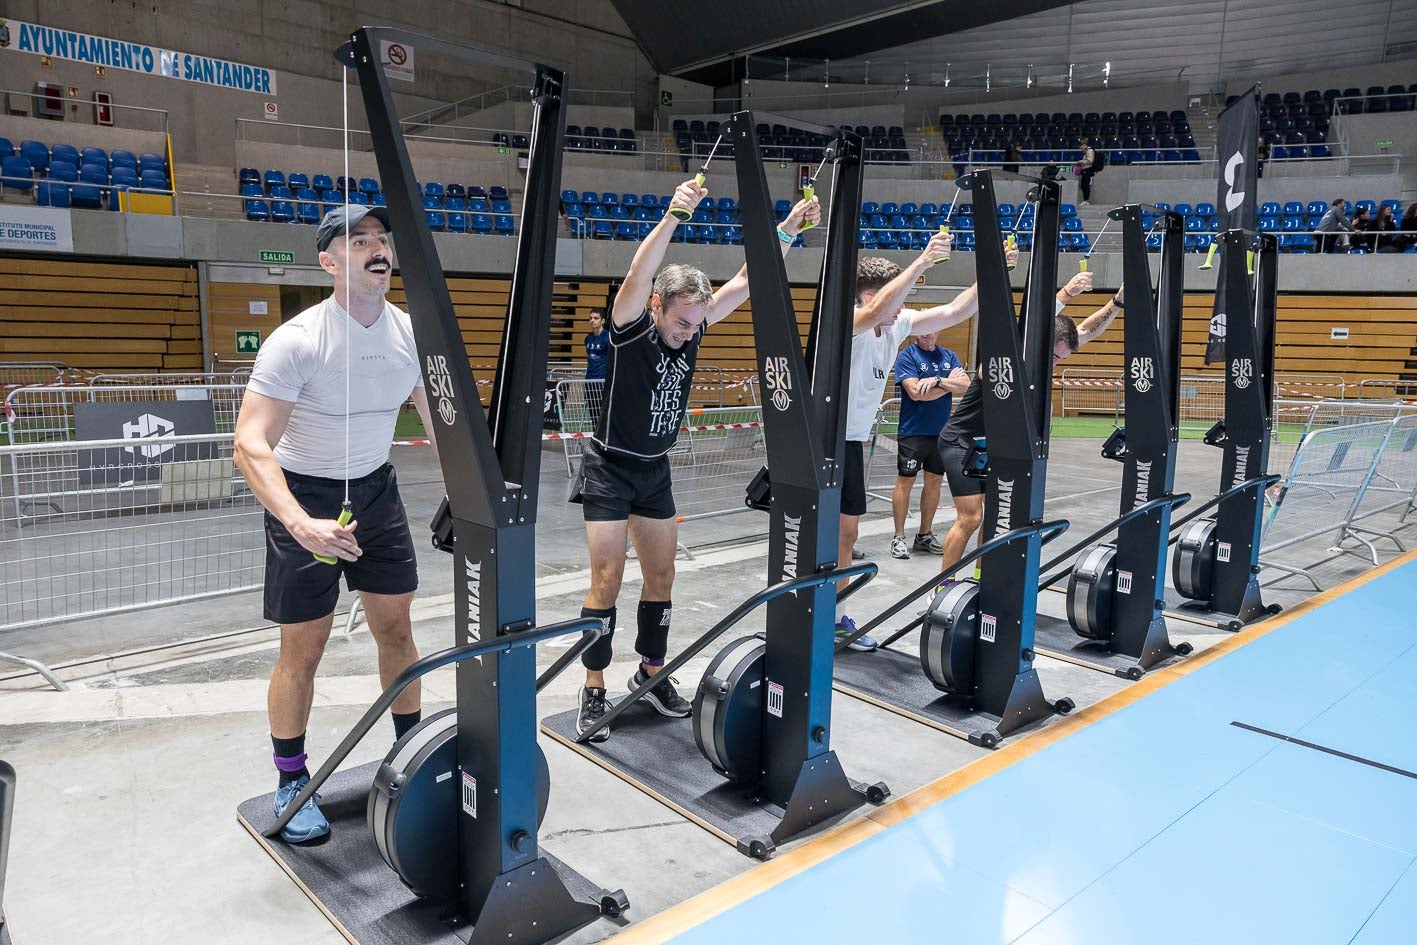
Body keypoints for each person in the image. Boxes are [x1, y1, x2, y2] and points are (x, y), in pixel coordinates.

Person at [572, 177, 820, 741]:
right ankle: (593, 689)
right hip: (609, 468)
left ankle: (651, 674)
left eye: (696, 322)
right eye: (681, 321)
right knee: (607, 578)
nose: (689, 332)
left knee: (662, 575)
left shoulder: (695, 325)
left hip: (654, 471)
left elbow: (747, 281)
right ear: (658, 307)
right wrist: (673, 217)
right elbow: (637, 276)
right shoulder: (631, 330)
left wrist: (787, 230)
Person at [234, 205, 440, 843]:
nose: (377, 249)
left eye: (382, 239)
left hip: (376, 492)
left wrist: (474, 494)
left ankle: (411, 759)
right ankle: (292, 778)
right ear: (328, 261)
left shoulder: (413, 333)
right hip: (306, 495)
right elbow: (249, 444)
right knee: (304, 651)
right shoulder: (298, 340)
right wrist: (301, 524)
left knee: (398, 631)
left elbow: (442, 421)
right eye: (358, 241)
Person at [832, 233, 1021, 651]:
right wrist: (921, 262)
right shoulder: (851, 321)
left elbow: (954, 310)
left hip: (850, 442)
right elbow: (881, 308)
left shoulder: (894, 324)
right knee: (828, 536)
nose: (904, 306)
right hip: (824, 441)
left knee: (846, 536)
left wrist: (993, 270)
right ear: (867, 296)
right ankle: (818, 614)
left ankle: (836, 617)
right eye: (896, 295)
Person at [935, 274, 1123, 583]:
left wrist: (1117, 303)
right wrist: (1064, 294)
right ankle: (943, 588)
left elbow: (1088, 329)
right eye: (1053, 355)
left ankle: (983, 580)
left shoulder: (1047, 359)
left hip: (993, 445)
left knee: (996, 516)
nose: (1055, 363)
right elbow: (1022, 333)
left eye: (1061, 359)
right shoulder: (1009, 358)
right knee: (971, 517)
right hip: (960, 440)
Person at [889, 331, 969, 560]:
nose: (928, 334)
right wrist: (947, 385)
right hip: (913, 432)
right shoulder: (907, 356)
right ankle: (899, 537)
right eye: (923, 330)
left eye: (932, 329)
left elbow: (965, 385)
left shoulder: (949, 355)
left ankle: (924, 535)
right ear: (915, 334)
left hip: (941, 432)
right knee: (905, 481)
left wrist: (936, 381)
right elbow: (915, 393)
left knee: (934, 482)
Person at [583, 307, 609, 428]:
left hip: (602, 381)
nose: (592, 321)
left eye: (596, 318)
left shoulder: (608, 337)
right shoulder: (588, 338)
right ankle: (594, 439)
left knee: (603, 411)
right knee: (593, 412)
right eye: (591, 318)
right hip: (589, 381)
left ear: (602, 321)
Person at [1077, 137, 1100, 205]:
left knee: (1086, 185)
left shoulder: (1090, 151)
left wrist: (1081, 161)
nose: (1080, 148)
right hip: (1085, 170)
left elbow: (1090, 161)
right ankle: (1085, 200)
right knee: (1083, 185)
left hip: (1088, 170)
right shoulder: (1086, 152)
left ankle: (1086, 200)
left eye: (1081, 146)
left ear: (1084, 145)